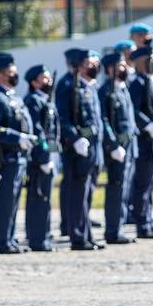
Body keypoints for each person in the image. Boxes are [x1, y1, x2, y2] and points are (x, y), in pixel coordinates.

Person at [0, 51, 34, 254]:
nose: (15, 75)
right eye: (11, 71)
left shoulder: (10, 94)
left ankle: (9, 237)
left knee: (13, 201)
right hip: (3, 156)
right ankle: (0, 240)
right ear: (1, 73)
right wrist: (17, 138)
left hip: (18, 157)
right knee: (2, 202)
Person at [56, 48, 103, 250]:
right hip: (77, 150)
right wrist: (75, 139)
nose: (92, 66)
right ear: (76, 65)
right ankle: (77, 236)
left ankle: (86, 234)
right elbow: (63, 118)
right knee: (77, 194)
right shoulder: (67, 85)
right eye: (87, 63)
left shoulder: (88, 86)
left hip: (92, 148)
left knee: (87, 193)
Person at [127, 45, 153, 239]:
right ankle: (142, 224)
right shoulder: (136, 83)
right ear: (138, 62)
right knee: (142, 186)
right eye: (149, 58)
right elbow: (134, 111)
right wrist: (148, 126)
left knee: (150, 185)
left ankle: (149, 222)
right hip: (145, 142)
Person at [95, 50, 138, 245]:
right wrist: (112, 145)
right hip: (117, 148)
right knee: (116, 189)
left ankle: (118, 227)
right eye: (120, 66)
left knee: (125, 190)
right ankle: (112, 230)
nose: (125, 69)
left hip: (129, 146)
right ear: (110, 69)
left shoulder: (122, 88)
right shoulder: (106, 91)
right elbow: (103, 120)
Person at [23, 64, 58, 252]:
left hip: (49, 155)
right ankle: (37, 238)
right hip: (38, 159)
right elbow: (38, 132)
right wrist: (43, 157)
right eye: (44, 78)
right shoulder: (33, 101)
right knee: (38, 198)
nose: (48, 81)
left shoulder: (46, 101)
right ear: (34, 82)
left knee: (45, 199)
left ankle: (43, 235)